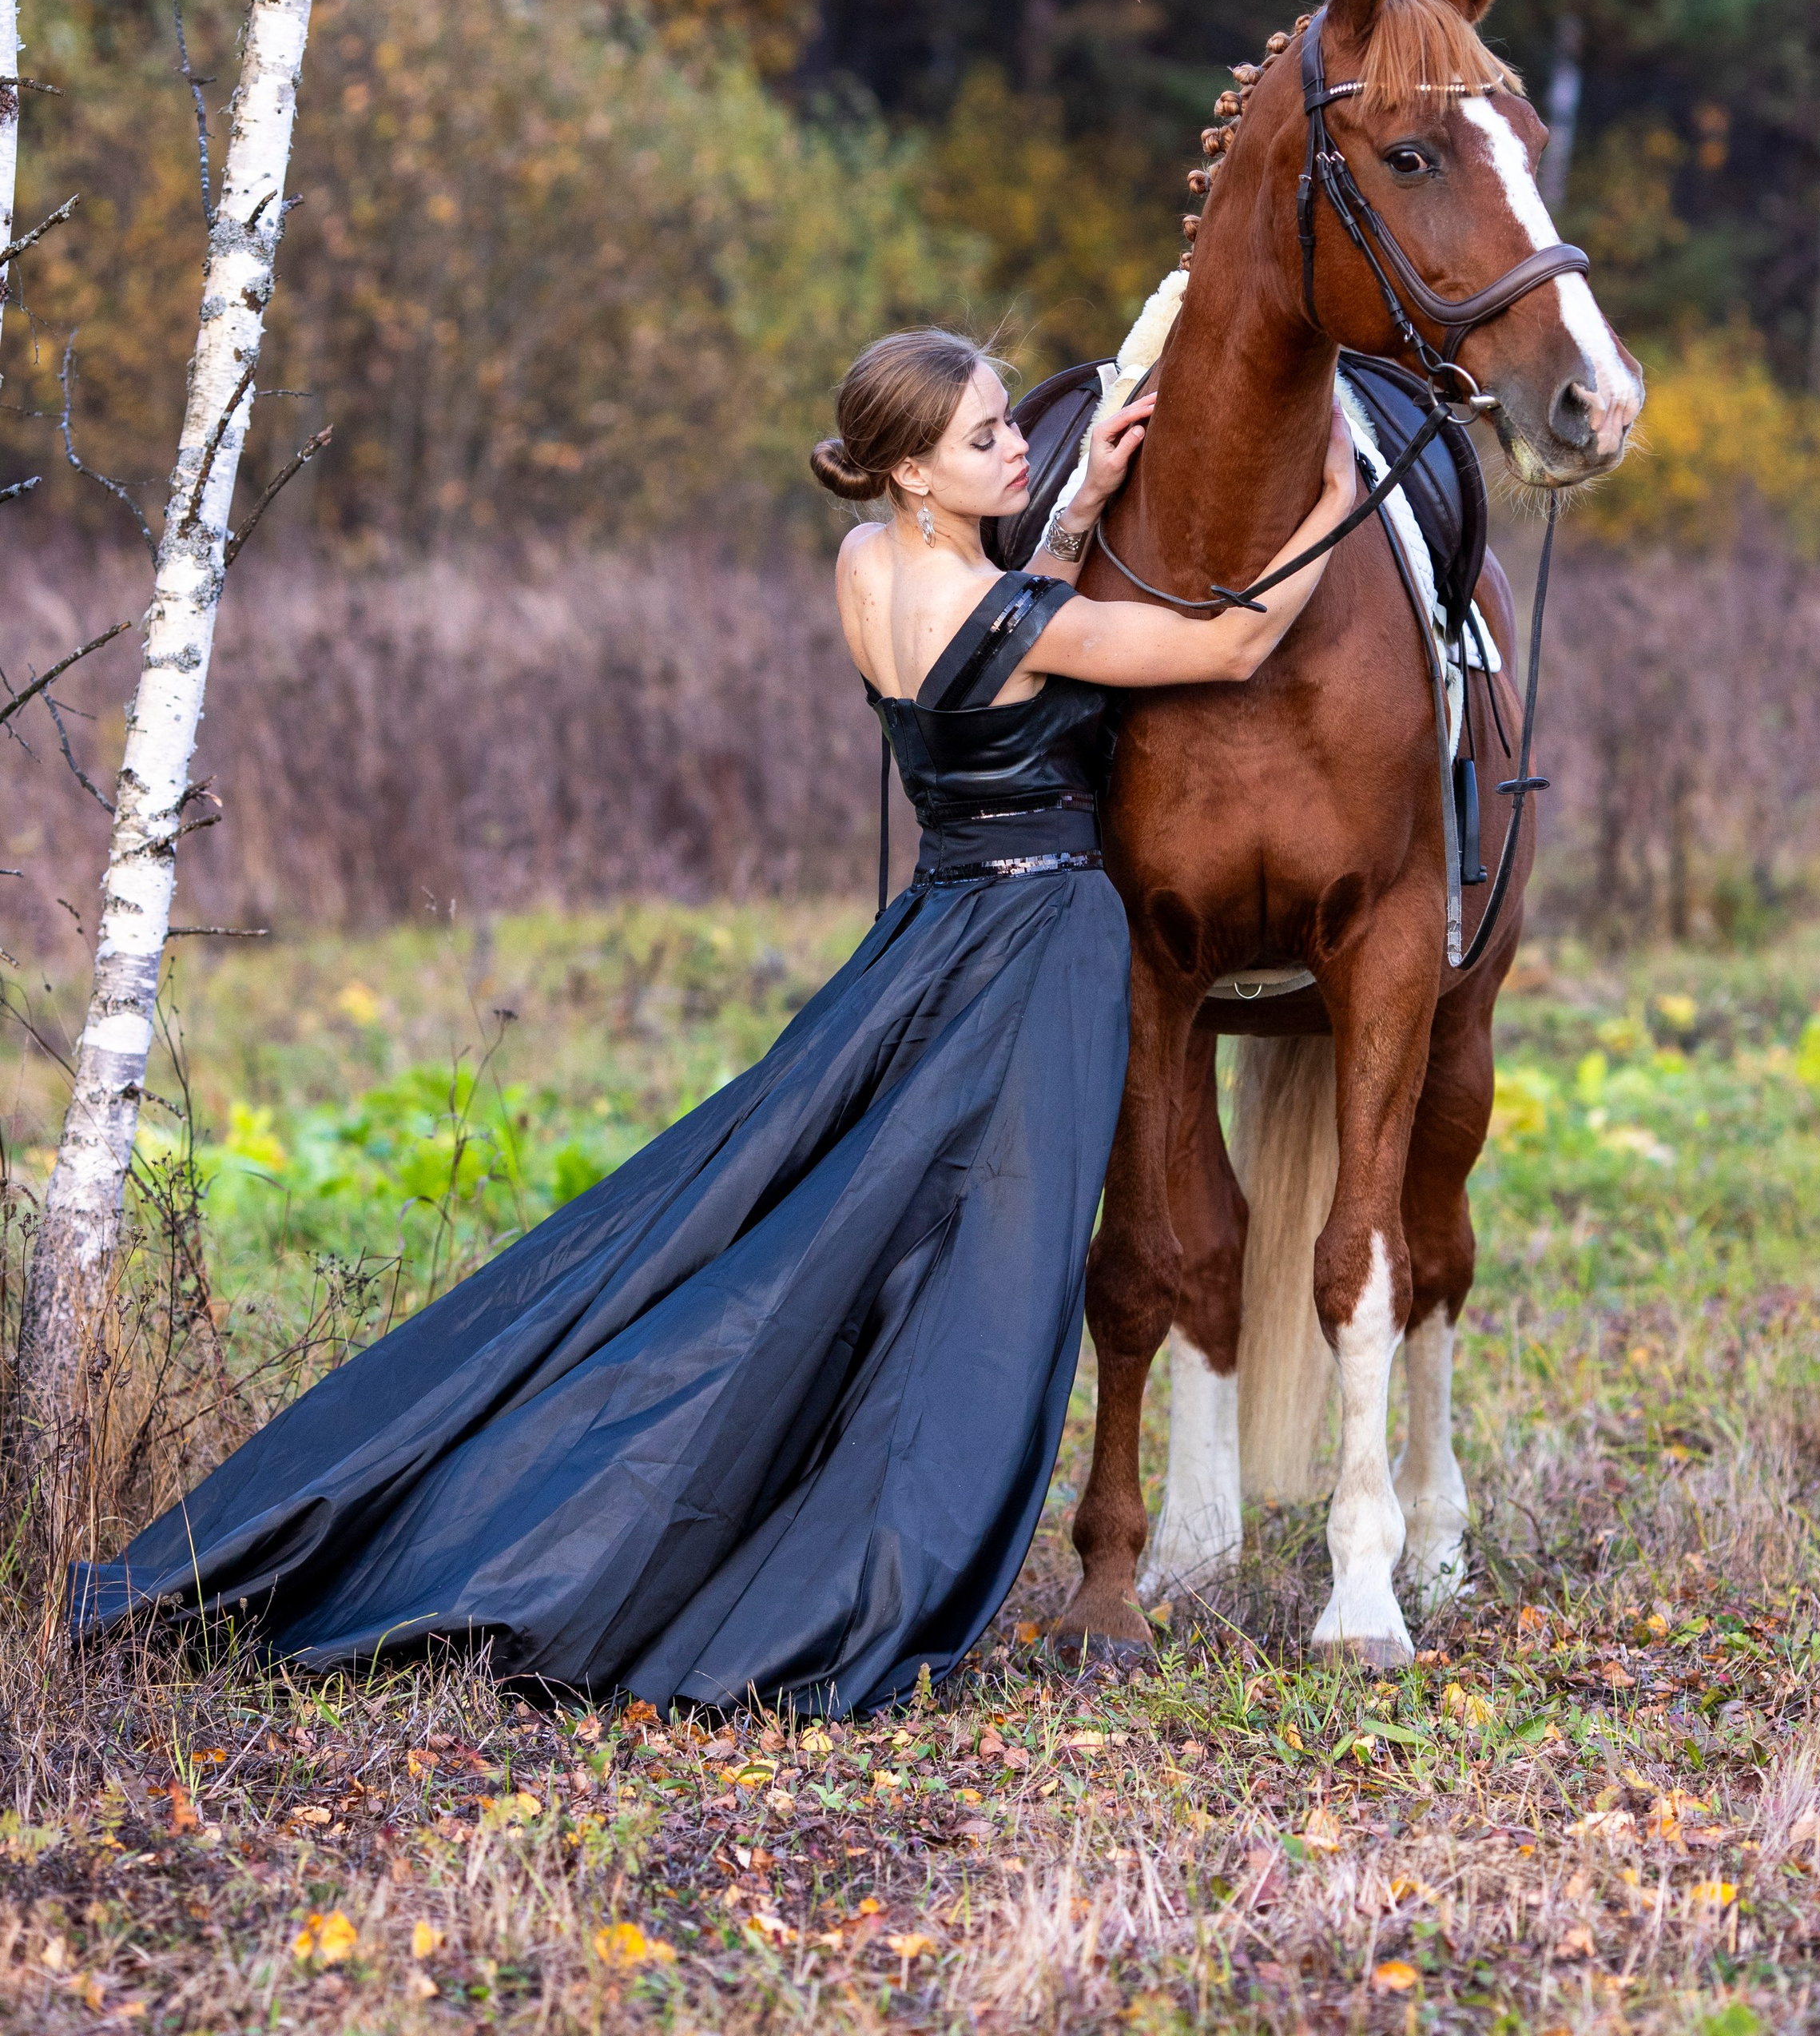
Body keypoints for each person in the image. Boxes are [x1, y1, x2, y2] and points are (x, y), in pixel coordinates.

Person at [75, 329, 1355, 1716]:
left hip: (935, 925)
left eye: (1013, 428)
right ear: (915, 471)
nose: (1023, 452)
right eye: (990, 437)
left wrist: (1084, 511)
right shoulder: (1015, 620)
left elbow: (993, 634)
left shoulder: (871, 568)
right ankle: (839, 1538)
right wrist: (1347, 485)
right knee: (985, 1259)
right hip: (1039, 946)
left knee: (818, 1211)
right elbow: (1231, 638)